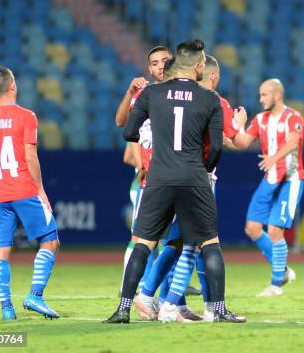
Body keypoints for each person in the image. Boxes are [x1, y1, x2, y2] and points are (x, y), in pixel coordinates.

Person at [105, 39, 245, 323]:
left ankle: (123, 309)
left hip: (159, 177)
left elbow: (129, 132)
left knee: (143, 244)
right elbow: (217, 146)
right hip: (194, 177)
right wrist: (201, 170)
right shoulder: (209, 98)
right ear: (196, 66)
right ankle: (217, 310)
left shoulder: (152, 93)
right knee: (210, 244)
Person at [0, 66, 60, 320]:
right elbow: (30, 156)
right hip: (24, 189)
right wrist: (40, 189)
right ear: (13, 85)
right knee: (50, 241)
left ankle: (7, 309)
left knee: (1, 249)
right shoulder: (26, 116)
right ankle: (35, 295)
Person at [233, 79, 304, 297]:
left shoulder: (293, 116)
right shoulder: (261, 119)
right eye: (260, 95)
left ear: (277, 95)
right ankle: (281, 269)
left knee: (274, 230)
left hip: (290, 180)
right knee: (252, 227)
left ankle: (275, 285)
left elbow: (294, 141)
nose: (260, 99)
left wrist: (274, 156)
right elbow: (243, 142)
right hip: (269, 179)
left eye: (264, 95)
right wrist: (238, 126)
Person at [115, 46, 171, 296]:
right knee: (142, 237)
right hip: (149, 178)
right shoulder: (145, 94)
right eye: (155, 63)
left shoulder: (183, 92)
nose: (160, 66)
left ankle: (165, 293)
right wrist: (141, 166)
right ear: (149, 69)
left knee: (171, 240)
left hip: (175, 176)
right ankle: (134, 287)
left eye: (165, 61)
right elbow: (122, 123)